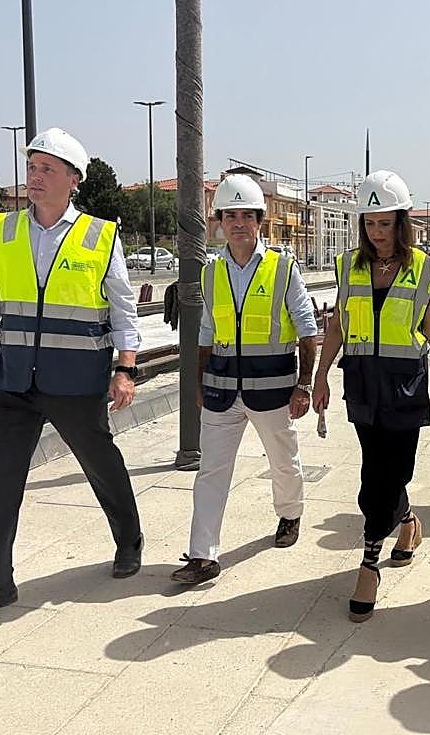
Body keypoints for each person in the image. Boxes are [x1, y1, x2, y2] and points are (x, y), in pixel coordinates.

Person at [0, 127, 144, 624]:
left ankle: (129, 540)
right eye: (31, 167)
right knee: (1, 483)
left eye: (47, 169)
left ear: (72, 180)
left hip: (76, 380)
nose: (34, 177)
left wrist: (125, 371)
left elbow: (123, 311)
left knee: (100, 464)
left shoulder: (101, 235)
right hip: (15, 380)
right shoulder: (4, 231)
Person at [312, 170, 430, 622]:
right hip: (361, 381)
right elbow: (337, 324)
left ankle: (406, 522)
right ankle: (371, 562)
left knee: (397, 470)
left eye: (385, 223)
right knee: (374, 474)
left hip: (405, 384)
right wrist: (319, 377)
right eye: (370, 224)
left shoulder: (423, 269)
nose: (377, 233)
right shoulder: (348, 267)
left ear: (401, 222)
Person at [170, 175, 318, 586]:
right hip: (221, 391)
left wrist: (304, 383)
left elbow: (307, 329)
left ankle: (290, 514)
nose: (237, 223)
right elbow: (205, 333)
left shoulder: (282, 268)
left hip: (272, 390)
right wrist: (199, 384)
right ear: (219, 221)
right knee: (211, 472)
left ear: (259, 221)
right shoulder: (211, 272)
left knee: (282, 463)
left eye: (246, 216)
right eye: (230, 215)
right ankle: (203, 556)